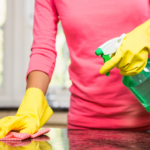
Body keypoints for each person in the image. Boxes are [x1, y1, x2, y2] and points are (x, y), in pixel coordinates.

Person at [0, 0, 150, 138]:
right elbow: (43, 49)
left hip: (146, 123)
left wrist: (146, 33)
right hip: (83, 129)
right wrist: (30, 106)